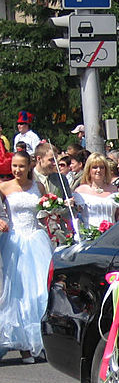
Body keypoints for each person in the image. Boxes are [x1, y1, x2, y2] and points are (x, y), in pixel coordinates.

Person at [0, 151, 53, 362]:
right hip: (14, 241)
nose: (17, 170)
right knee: (16, 292)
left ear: (29, 166)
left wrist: (50, 209)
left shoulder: (38, 187)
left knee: (39, 290)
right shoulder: (4, 187)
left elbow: (43, 211)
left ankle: (37, 341)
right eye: (14, 166)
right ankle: (20, 342)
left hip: (36, 239)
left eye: (21, 166)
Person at [73, 153, 118, 229]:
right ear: (89, 170)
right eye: (94, 167)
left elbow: (118, 216)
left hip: (111, 234)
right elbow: (76, 215)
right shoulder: (80, 191)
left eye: (102, 167)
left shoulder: (114, 189)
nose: (98, 170)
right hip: (89, 235)